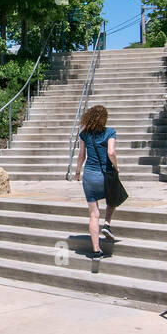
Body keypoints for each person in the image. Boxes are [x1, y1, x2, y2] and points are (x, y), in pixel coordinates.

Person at [74, 104, 118, 258]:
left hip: (90, 176)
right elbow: (111, 152)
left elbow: (81, 155)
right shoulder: (110, 132)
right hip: (105, 175)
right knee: (113, 198)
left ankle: (96, 250)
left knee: (93, 214)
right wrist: (116, 167)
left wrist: (77, 172)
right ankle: (107, 224)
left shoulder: (84, 134)